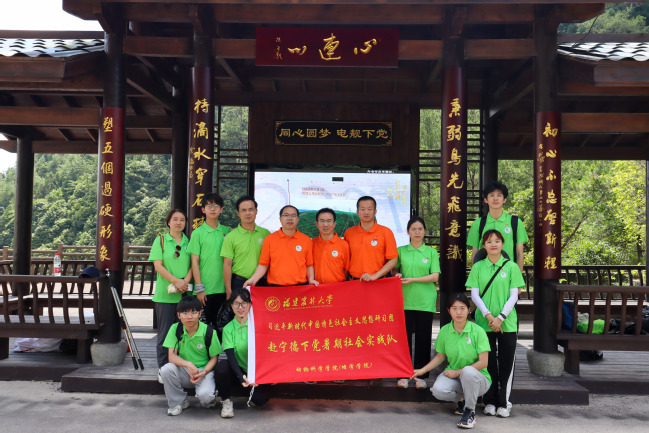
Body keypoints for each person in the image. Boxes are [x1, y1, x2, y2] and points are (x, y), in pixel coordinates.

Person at [467, 229, 525, 418]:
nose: (493, 244)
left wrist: (500, 317)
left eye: (497, 241)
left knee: (507, 363)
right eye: (489, 241)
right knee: (488, 363)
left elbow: (514, 295)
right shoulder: (477, 267)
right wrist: (489, 316)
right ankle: (489, 401)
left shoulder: (512, 267)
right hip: (484, 323)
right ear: (484, 245)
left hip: (507, 323)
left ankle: (504, 402)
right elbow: (474, 295)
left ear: (502, 244)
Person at [413, 293, 491, 430]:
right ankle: (462, 399)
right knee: (438, 390)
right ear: (449, 311)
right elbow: (440, 357)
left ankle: (469, 412)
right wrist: (422, 370)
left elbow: (483, 363)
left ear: (468, 310)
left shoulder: (478, 331)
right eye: (454, 308)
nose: (458, 312)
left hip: (479, 380)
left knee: (468, 371)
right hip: (456, 378)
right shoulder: (445, 331)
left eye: (462, 308)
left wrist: (457, 372)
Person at [393, 216, 440, 390]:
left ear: (425, 231)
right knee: (403, 339)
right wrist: (396, 274)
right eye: (414, 229)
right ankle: (403, 374)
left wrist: (413, 279)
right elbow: (394, 268)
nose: (417, 232)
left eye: (420, 229)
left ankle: (420, 375)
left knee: (423, 339)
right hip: (403, 301)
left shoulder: (431, 252)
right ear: (408, 232)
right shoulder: (401, 251)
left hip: (425, 301)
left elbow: (435, 276)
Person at [148, 209, 192, 379]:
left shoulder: (190, 241)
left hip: (184, 294)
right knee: (165, 333)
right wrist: (175, 281)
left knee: (183, 332)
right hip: (165, 296)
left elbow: (193, 264)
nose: (178, 222)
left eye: (182, 220)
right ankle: (163, 368)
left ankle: (181, 367)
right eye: (175, 219)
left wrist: (185, 281)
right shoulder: (160, 241)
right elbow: (158, 266)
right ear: (168, 222)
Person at [160, 296, 222, 416]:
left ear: (199, 314)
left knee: (206, 399)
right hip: (185, 371)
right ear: (179, 315)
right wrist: (188, 364)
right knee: (166, 369)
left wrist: (203, 372)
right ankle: (178, 402)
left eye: (194, 312)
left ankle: (210, 397)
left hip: (204, 371)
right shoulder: (175, 328)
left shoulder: (209, 331)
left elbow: (214, 358)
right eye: (185, 313)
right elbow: (171, 356)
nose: (189, 317)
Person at [215, 288, 271, 418]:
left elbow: (267, 353)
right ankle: (226, 401)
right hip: (239, 371)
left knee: (261, 400)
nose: (240, 307)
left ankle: (252, 391)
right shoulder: (228, 328)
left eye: (244, 303)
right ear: (231, 306)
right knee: (222, 366)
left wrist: (259, 375)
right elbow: (230, 355)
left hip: (258, 372)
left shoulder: (259, 324)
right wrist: (241, 376)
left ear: (250, 304)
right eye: (236, 304)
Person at [244, 205, 316, 287]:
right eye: (286, 215)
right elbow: (263, 264)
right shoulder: (270, 239)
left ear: (297, 219)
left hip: (299, 287)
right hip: (275, 287)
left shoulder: (306, 240)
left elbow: (309, 265)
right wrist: (253, 279)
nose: (290, 218)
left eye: (293, 215)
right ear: (280, 219)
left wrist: (311, 279)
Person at [187, 193, 230, 329]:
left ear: (221, 209)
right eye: (209, 206)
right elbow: (194, 262)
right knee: (205, 329)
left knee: (221, 328)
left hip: (223, 288)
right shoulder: (197, 233)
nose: (212, 209)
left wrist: (229, 289)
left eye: (216, 206)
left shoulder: (227, 232)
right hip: (205, 290)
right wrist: (199, 288)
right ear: (203, 210)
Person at [467, 181, 528, 273]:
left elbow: (520, 254)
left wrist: (517, 279)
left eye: (499, 195)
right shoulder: (478, 224)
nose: (495, 198)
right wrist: (475, 277)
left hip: (508, 274)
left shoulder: (515, 222)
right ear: (485, 199)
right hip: (484, 275)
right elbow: (475, 254)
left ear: (504, 199)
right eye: (491, 195)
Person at [221, 195, 270, 298]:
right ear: (238, 213)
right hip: (239, 283)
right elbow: (227, 264)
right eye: (243, 210)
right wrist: (228, 290)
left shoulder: (266, 234)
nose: (247, 213)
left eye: (251, 209)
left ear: (256, 211)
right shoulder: (231, 236)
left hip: (261, 282)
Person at [344, 196, 398, 281]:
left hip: (378, 281)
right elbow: (346, 260)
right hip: (354, 282)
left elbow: (393, 259)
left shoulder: (386, 232)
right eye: (362, 209)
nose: (366, 212)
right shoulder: (349, 233)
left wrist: (375, 276)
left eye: (369, 209)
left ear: (375, 211)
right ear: (357, 212)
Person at [311, 207, 350, 284]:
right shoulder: (311, 243)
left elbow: (347, 269)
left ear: (334, 224)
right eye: (322, 221)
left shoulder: (343, 244)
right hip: (316, 287)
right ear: (317, 224)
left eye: (329, 221)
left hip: (337, 287)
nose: (325, 225)